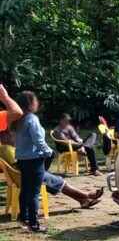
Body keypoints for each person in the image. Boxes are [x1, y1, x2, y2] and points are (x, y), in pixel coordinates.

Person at [0, 129, 103, 209]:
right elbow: (20, 164)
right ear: (5, 136)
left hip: (24, 175)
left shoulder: (8, 148)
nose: (15, 137)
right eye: (12, 135)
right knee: (60, 182)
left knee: (58, 180)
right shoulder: (6, 149)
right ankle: (87, 195)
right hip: (27, 177)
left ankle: (84, 201)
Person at [14, 91, 54, 233]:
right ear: (30, 103)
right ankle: (34, 223)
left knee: (25, 189)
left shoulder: (19, 119)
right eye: (35, 100)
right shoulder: (32, 118)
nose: (37, 103)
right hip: (34, 159)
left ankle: (23, 217)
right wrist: (49, 152)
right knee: (34, 192)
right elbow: (38, 141)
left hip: (22, 159)